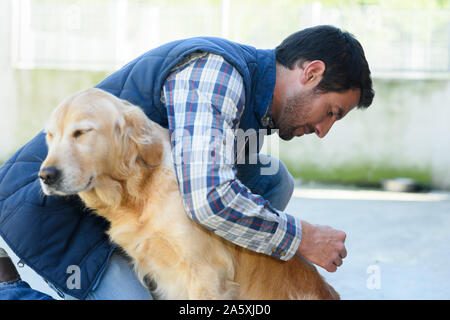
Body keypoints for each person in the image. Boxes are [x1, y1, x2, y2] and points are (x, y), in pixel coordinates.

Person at [0, 25, 374, 300]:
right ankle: (8, 288)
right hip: (55, 210)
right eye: (331, 112)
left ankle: (180, 269)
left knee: (272, 177)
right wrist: (299, 238)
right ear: (312, 73)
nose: (324, 130)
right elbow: (208, 198)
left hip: (134, 209)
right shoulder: (216, 74)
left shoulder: (255, 105)